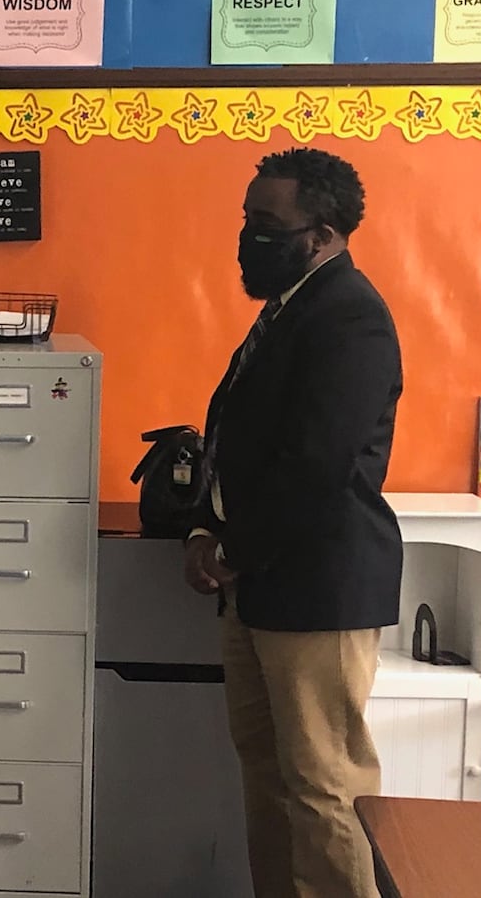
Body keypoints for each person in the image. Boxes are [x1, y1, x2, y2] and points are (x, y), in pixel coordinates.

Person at [183, 147, 403, 898]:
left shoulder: (351, 318)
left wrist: (233, 550)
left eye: (266, 223)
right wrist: (203, 532)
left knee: (323, 788)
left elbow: (318, 465)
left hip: (317, 589)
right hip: (259, 585)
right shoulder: (287, 311)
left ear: (325, 231)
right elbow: (240, 441)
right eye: (246, 219)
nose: (249, 236)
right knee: (269, 780)